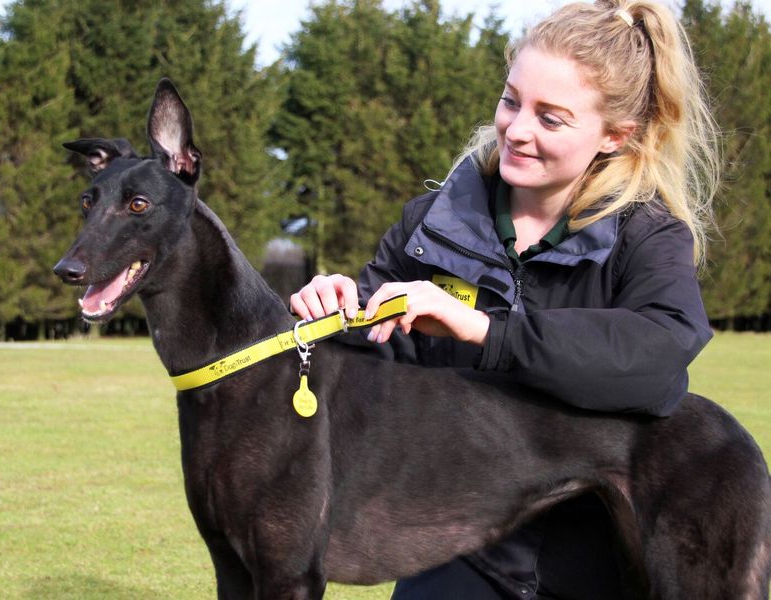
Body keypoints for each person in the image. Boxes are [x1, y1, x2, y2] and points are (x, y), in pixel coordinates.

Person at [290, 0, 720, 597]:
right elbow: (376, 377)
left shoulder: (648, 237)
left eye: (552, 117)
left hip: (595, 561)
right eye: (512, 100)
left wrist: (486, 332)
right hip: (452, 550)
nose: (517, 129)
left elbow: (657, 360)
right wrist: (340, 319)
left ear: (616, 136)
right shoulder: (432, 223)